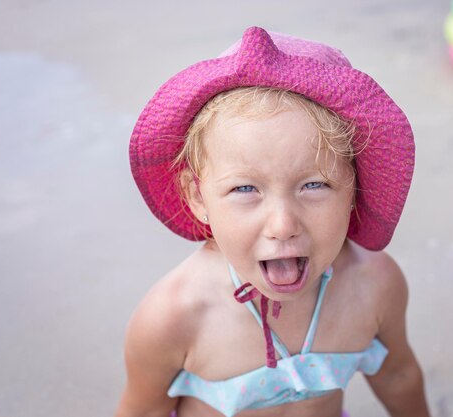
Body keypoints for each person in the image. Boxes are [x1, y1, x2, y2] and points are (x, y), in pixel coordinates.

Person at [116, 27, 430, 417]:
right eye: (246, 189)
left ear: (354, 187)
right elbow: (142, 411)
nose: (283, 225)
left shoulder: (374, 287)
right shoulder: (174, 317)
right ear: (198, 196)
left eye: (314, 184)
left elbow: (398, 377)